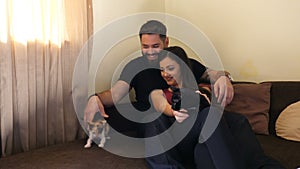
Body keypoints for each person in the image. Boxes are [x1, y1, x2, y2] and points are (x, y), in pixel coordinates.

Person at [84, 20, 284, 169]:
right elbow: (116, 93)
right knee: (155, 118)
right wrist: (95, 98)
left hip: (191, 120)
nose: (151, 52)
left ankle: (263, 165)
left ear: (166, 42)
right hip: (163, 125)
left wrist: (223, 76)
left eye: (156, 46)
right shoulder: (135, 67)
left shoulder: (180, 61)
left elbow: (211, 73)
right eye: (145, 47)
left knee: (237, 120)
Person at [146, 46, 244, 168]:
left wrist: (203, 99)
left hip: (200, 142)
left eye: (170, 68)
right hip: (179, 141)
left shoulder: (200, 90)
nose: (165, 74)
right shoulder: (158, 93)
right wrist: (173, 111)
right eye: (161, 70)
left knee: (214, 116)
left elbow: (215, 119)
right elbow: (160, 104)